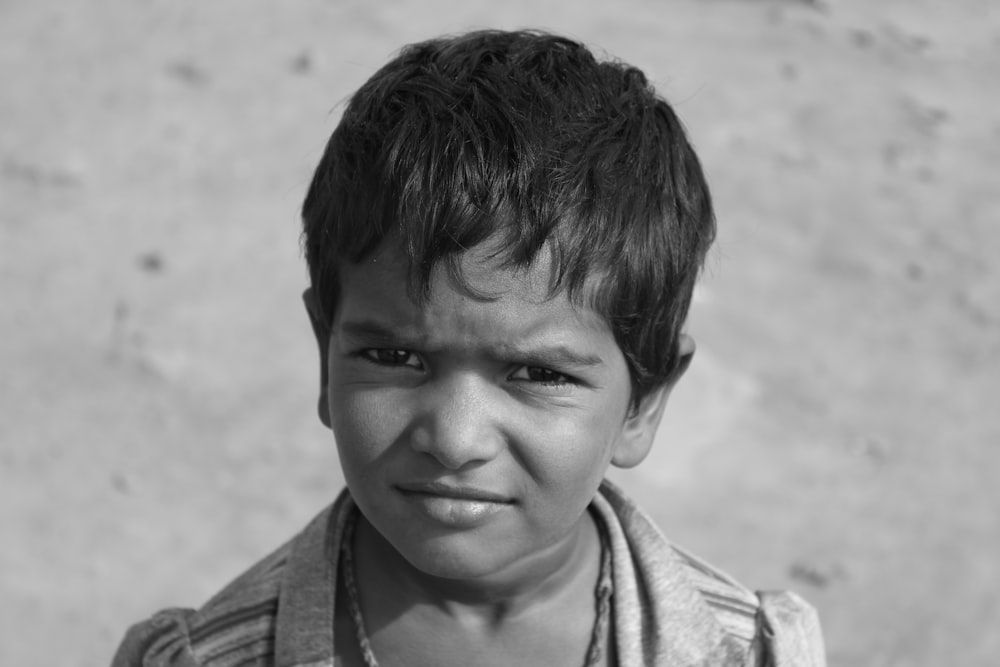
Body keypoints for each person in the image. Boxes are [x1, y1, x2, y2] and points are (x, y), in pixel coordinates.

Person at [112, 29, 825, 667]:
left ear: (642, 403)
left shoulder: (750, 653)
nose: (454, 439)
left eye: (538, 373)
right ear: (324, 353)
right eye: (395, 358)